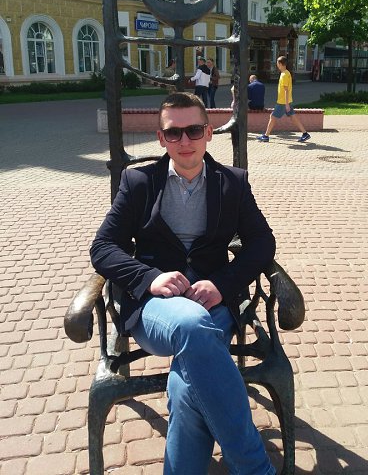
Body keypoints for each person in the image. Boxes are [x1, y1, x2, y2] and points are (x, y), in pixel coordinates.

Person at [90, 92, 276, 475]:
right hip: (155, 310)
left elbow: (262, 242)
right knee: (191, 325)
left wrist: (222, 284)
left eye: (193, 130)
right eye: (174, 133)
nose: (184, 140)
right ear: (161, 138)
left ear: (208, 132)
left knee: (186, 388)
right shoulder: (139, 182)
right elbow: (103, 247)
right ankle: (255, 468)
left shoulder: (232, 183)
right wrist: (150, 278)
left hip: (215, 305)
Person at [258, 55, 311, 143]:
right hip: (286, 101)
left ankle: (266, 136)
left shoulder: (284, 75)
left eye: (277, 63)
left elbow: (286, 90)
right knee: (293, 117)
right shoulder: (286, 73)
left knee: (272, 117)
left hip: (283, 102)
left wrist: (286, 104)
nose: (277, 65)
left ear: (280, 64)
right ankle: (305, 134)